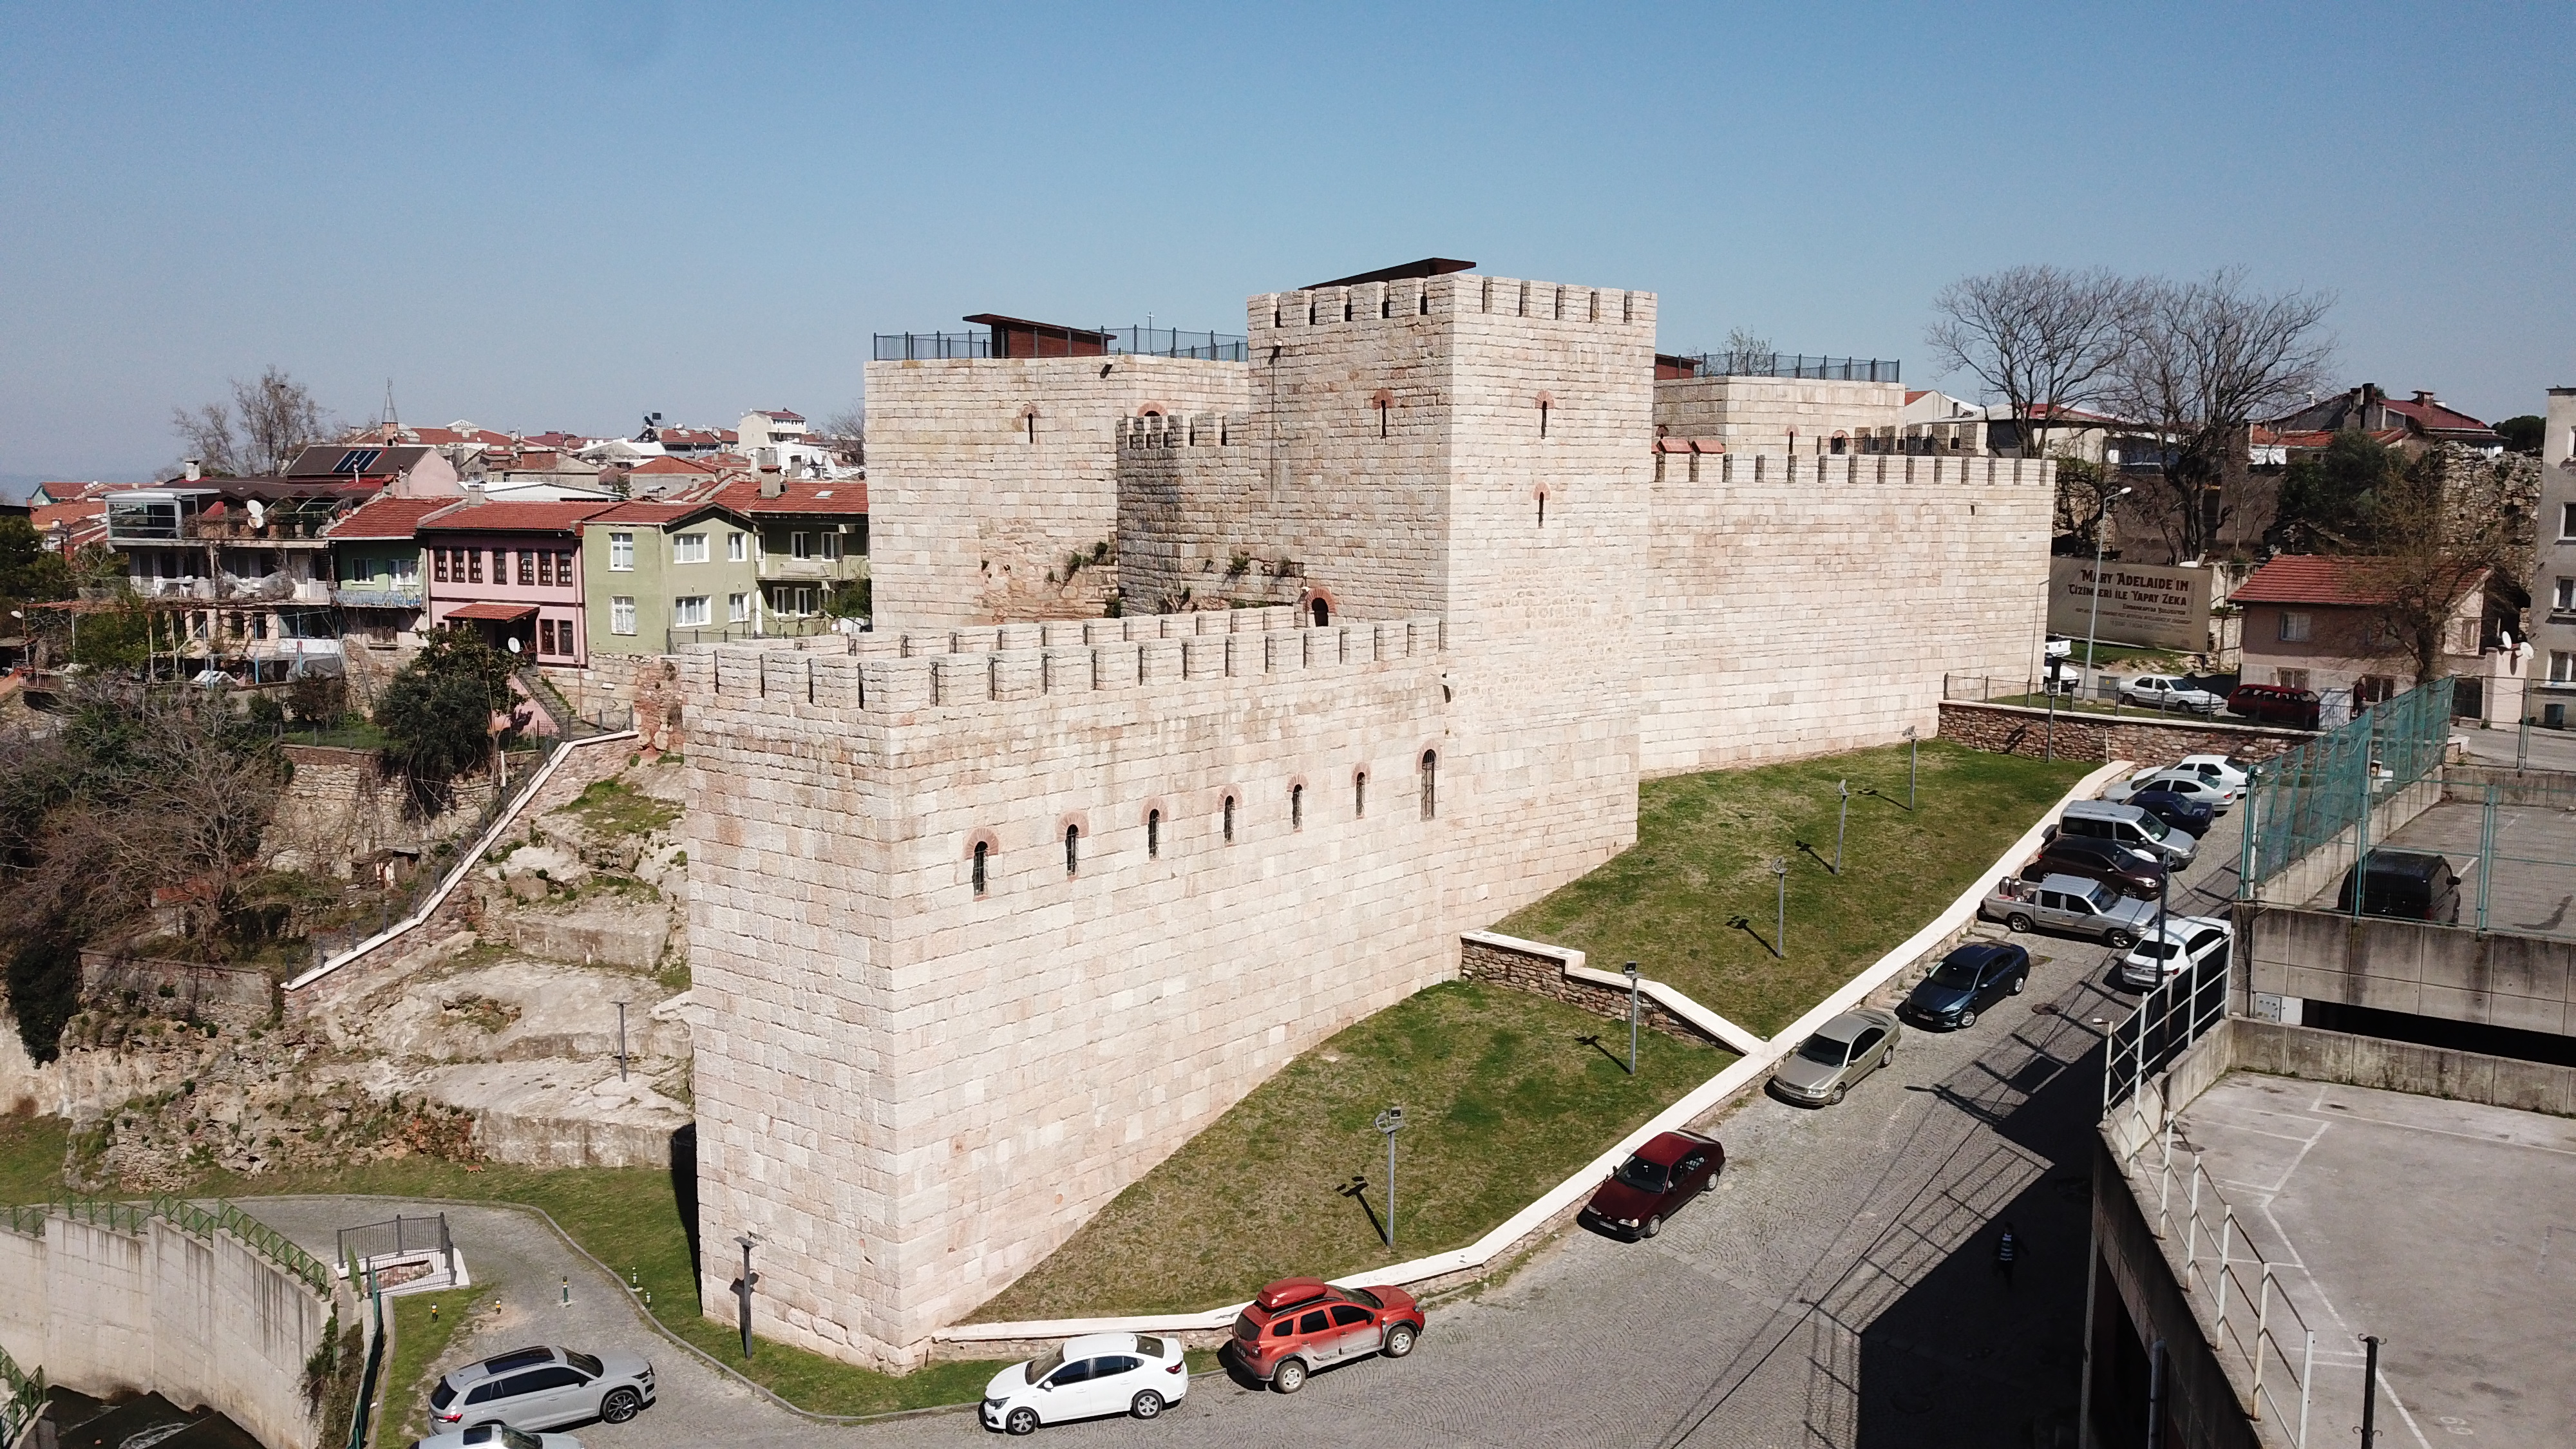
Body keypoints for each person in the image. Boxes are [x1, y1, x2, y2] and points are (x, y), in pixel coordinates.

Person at [1996, 1221, 2020, 1287]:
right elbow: (1998, 1245)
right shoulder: (2002, 1236)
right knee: (2005, 1268)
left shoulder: (2014, 1238)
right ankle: (2007, 1276)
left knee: (2009, 1270)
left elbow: (2019, 1244)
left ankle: (2009, 1281)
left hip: (2010, 1258)